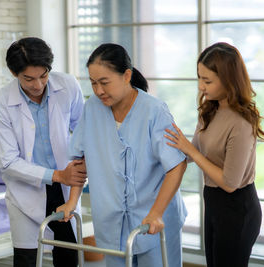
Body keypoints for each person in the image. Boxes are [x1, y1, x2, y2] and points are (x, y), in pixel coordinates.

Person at [57, 43, 187, 267]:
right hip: (111, 220)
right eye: (94, 83)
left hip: (154, 219)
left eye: (104, 82)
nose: (98, 91)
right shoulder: (92, 109)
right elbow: (80, 161)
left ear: (127, 75)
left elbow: (176, 165)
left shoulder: (154, 111)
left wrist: (156, 213)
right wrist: (72, 201)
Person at [164, 42, 264, 267]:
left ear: (229, 79)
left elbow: (230, 183)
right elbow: (191, 153)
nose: (201, 86)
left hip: (237, 208)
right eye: (199, 78)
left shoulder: (241, 123)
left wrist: (190, 150)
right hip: (213, 203)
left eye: (207, 81)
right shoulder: (210, 110)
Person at [0, 37, 86, 267]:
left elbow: (83, 133)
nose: (38, 85)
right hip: (27, 190)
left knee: (68, 256)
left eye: (43, 75)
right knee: (26, 260)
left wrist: (73, 174)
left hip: (64, 189)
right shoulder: (1, 103)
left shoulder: (68, 85)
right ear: (14, 73)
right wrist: (57, 175)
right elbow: (8, 162)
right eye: (29, 79)